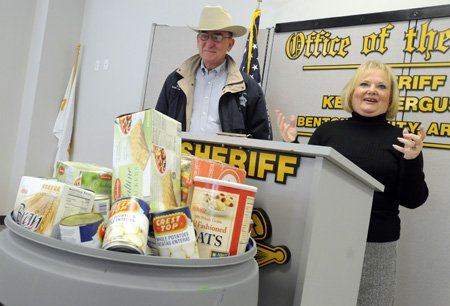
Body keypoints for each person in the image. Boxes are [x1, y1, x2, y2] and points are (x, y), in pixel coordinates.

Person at [276, 60, 428, 306]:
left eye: (381, 86)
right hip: (325, 239)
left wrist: (412, 160)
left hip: (377, 246)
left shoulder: (403, 140)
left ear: (390, 98)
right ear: (352, 91)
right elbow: (307, 184)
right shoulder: (327, 132)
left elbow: (414, 200)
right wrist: (293, 146)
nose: (372, 90)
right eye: (365, 83)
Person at [155, 5, 272, 140]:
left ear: (230, 44)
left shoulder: (248, 89)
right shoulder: (175, 81)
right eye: (204, 36)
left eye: (217, 37)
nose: (209, 43)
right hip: (181, 159)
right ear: (198, 40)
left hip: (224, 160)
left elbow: (260, 141)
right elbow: (158, 127)